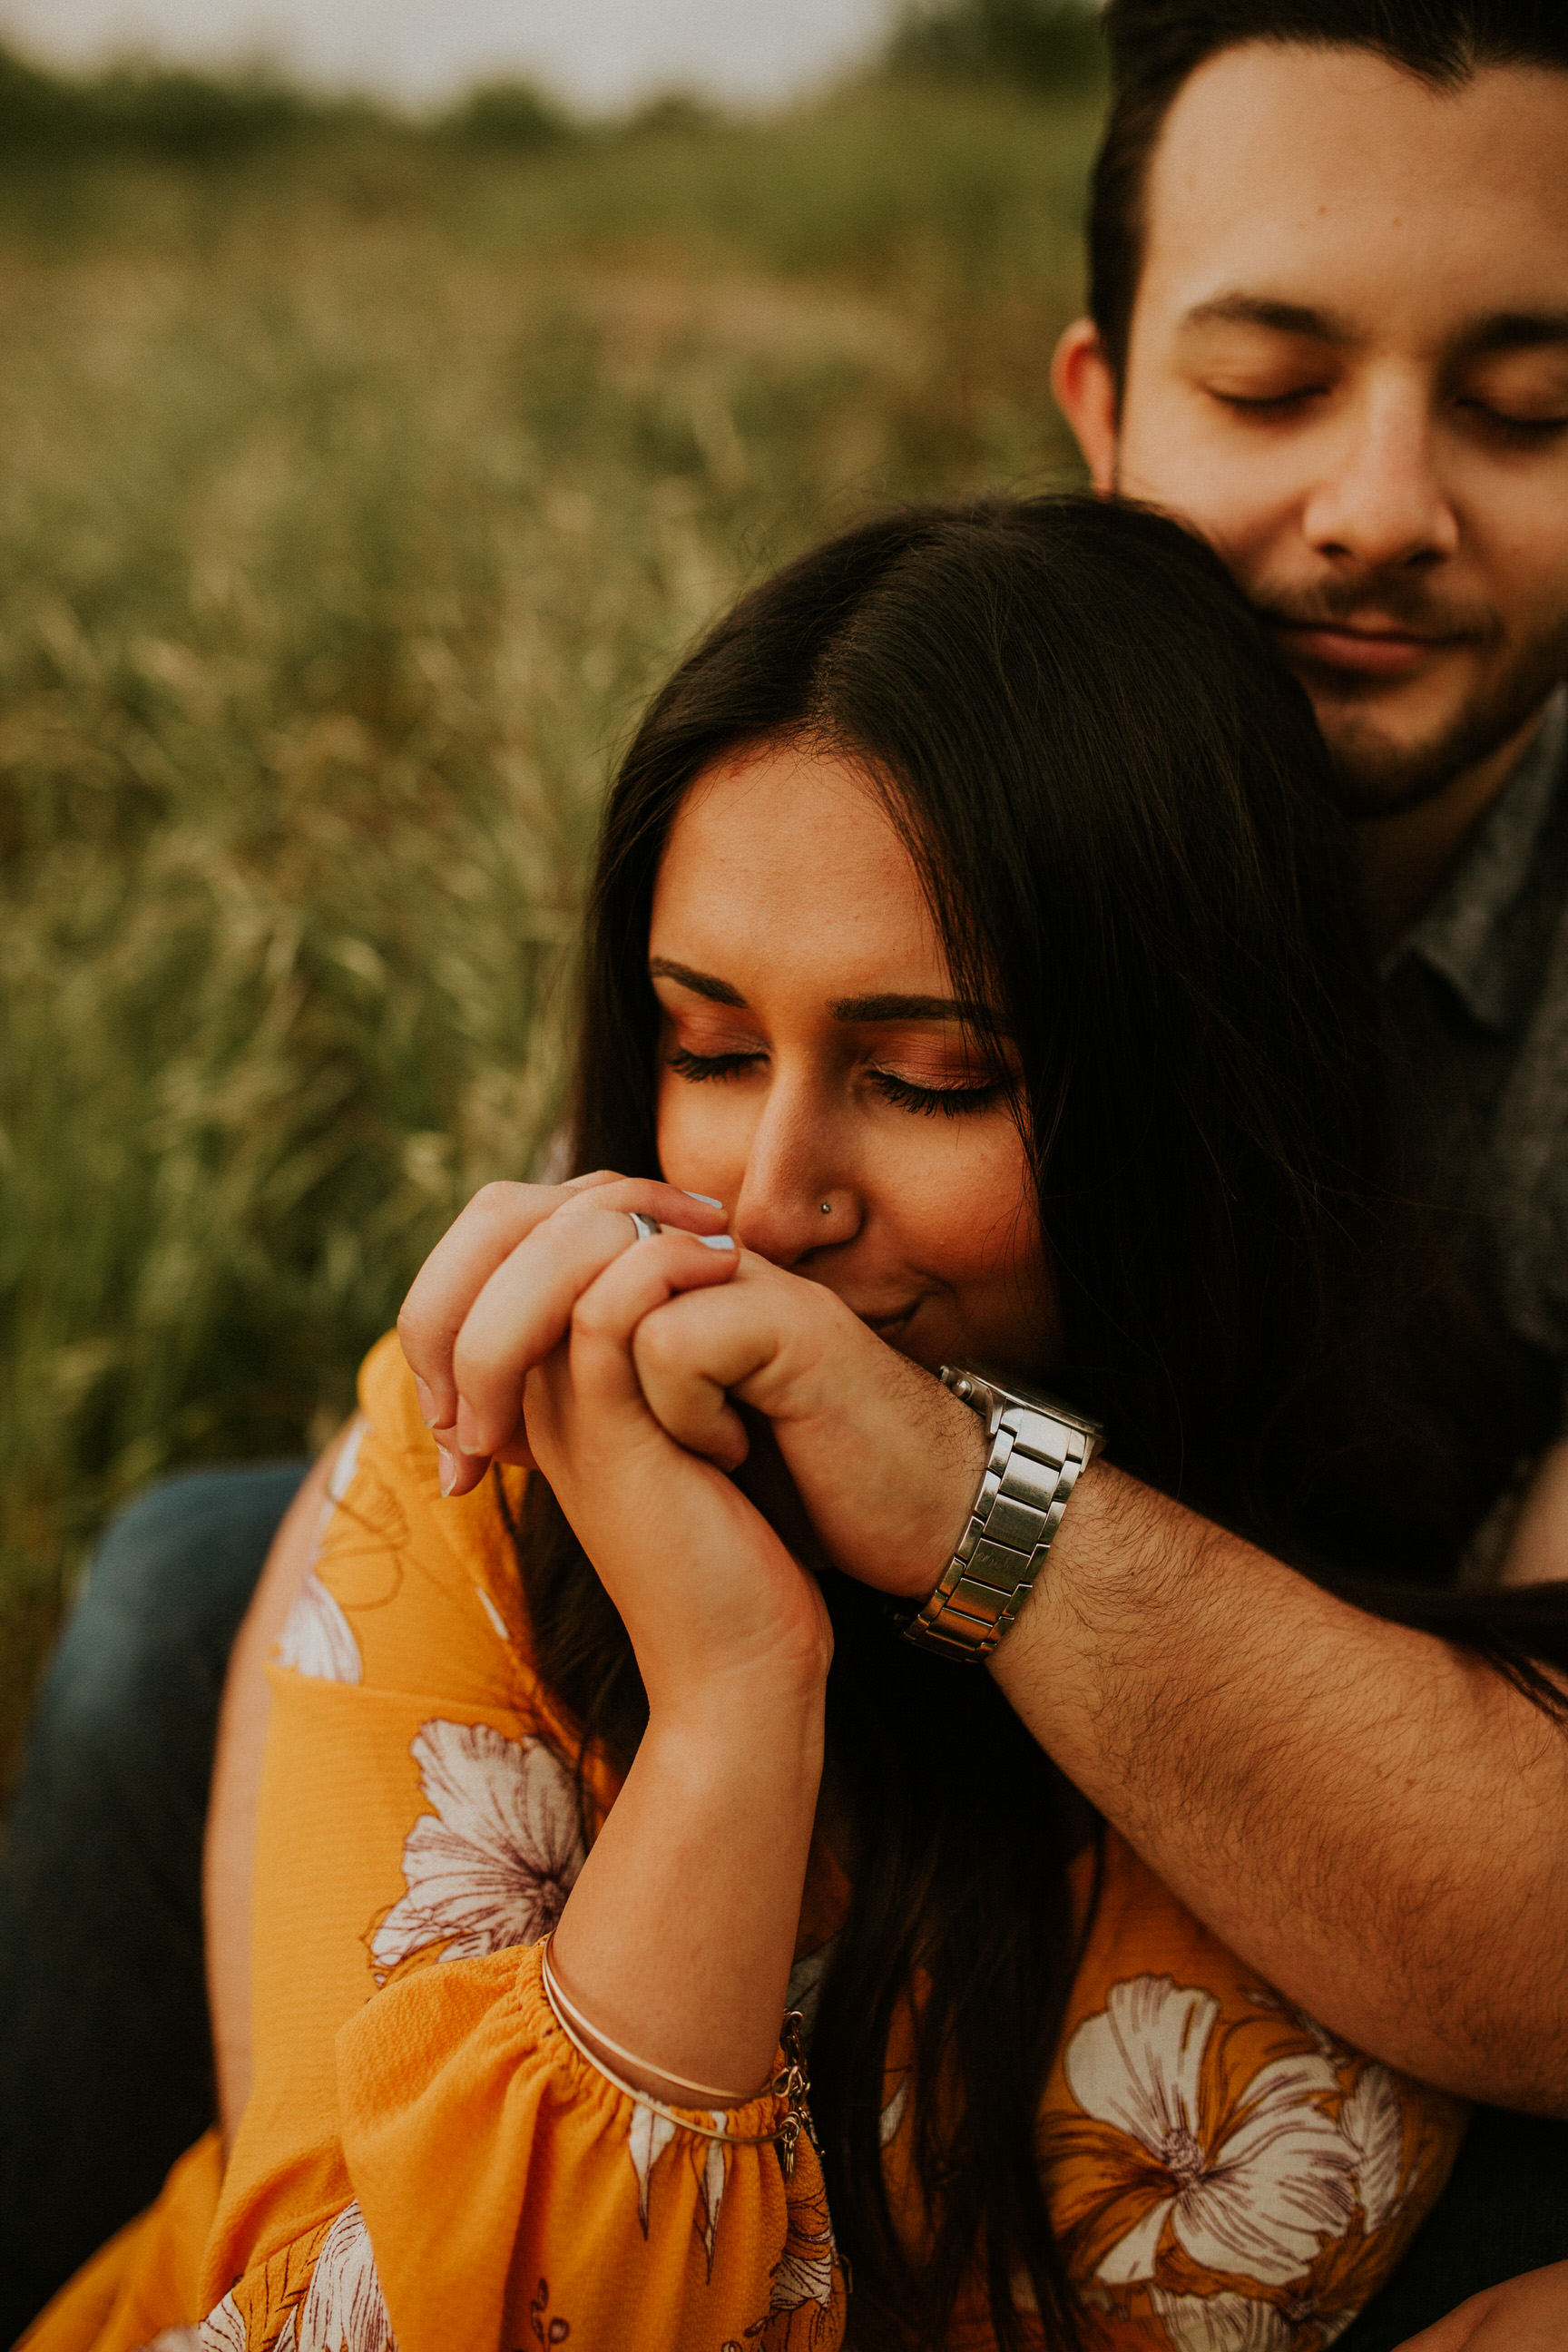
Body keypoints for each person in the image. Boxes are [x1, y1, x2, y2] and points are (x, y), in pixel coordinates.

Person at [5, 0, 1568, 2339]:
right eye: (1265, 390)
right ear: (1100, 407)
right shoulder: (883, 733)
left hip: (1321, 1711)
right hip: (769, 1641)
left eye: (1531, 407)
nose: (1373, 505)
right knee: (204, 1592)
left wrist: (963, 1504)